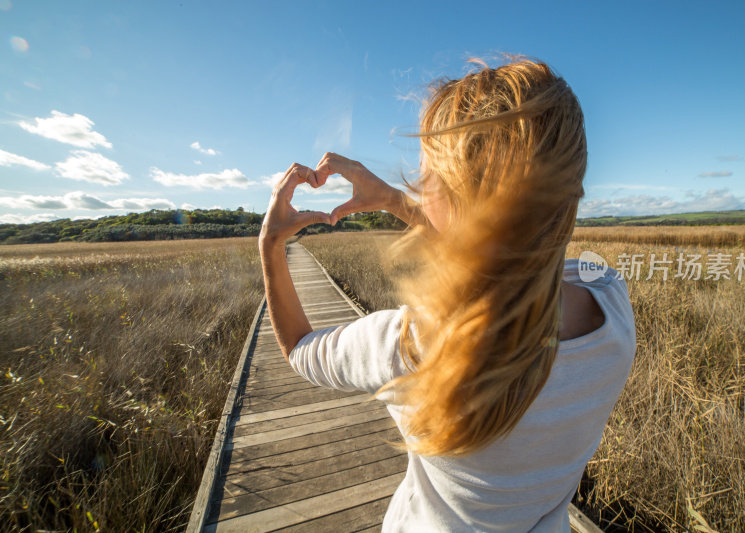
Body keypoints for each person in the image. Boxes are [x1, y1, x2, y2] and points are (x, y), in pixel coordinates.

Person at [258, 57, 636, 532]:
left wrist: (271, 245)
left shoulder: (405, 344)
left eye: (424, 176)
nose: (417, 187)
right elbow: (511, 262)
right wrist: (396, 200)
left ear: (450, 197)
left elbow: (297, 348)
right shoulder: (611, 307)